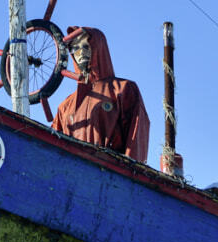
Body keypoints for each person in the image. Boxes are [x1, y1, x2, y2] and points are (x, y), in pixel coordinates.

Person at [50, 26, 150, 162]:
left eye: (86, 45)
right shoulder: (65, 107)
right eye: (75, 48)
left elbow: (136, 138)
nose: (81, 52)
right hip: (72, 176)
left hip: (112, 174)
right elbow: (51, 148)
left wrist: (130, 176)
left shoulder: (123, 90)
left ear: (98, 46)